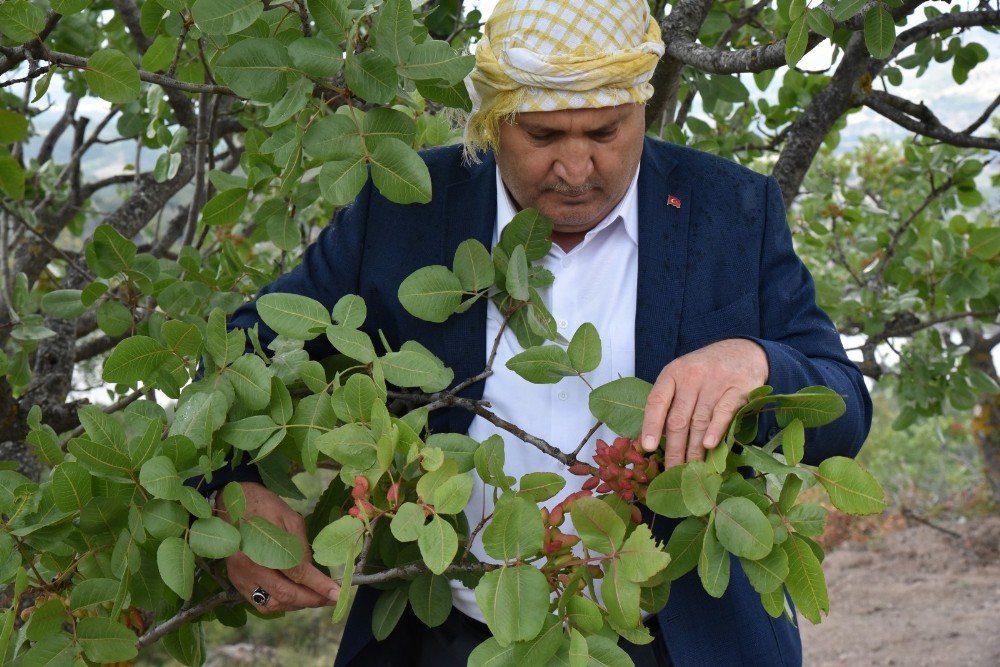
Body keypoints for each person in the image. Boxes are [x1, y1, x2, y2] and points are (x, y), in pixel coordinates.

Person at [215, 1, 872, 664]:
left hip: (678, 644)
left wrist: (757, 362)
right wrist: (229, 489)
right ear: (494, 121)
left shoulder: (731, 209)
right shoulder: (404, 210)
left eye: (606, 132)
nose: (577, 168)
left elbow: (844, 407)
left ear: (641, 107)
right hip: (447, 639)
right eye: (545, 137)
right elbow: (245, 347)